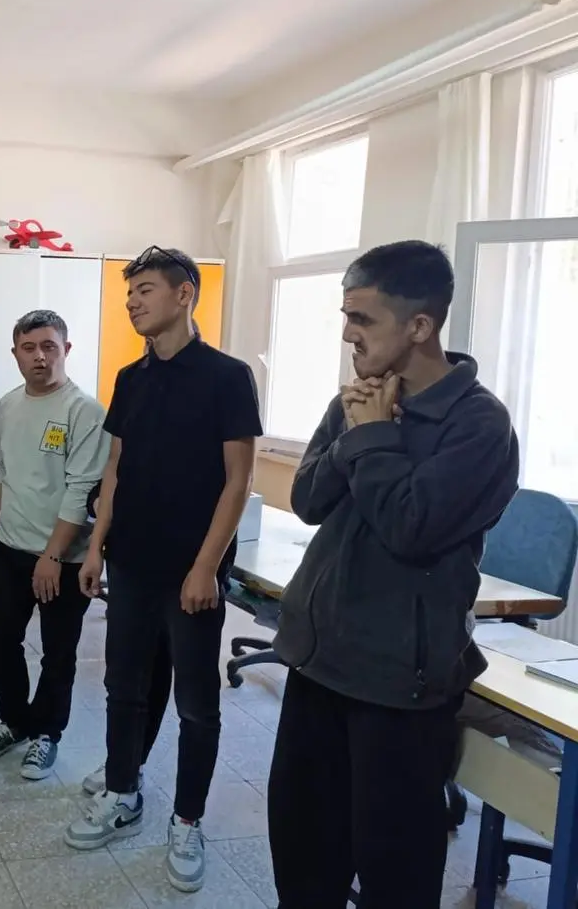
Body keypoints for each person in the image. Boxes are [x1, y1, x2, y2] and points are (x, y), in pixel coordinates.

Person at [267, 240, 519, 909]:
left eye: (363, 318)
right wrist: (356, 430)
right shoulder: (357, 398)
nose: (348, 333)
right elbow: (308, 500)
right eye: (345, 316)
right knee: (304, 855)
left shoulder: (479, 424)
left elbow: (412, 528)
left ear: (419, 326)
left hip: (397, 685)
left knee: (394, 874)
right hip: (319, 661)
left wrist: (373, 436)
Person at [65, 247, 262, 897]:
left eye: (145, 289)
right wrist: (97, 546)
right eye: (130, 293)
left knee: (196, 705)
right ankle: (123, 791)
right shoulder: (131, 378)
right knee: (124, 687)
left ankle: (187, 821)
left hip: (190, 573)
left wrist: (205, 566)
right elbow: (115, 468)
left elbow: (238, 480)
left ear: (184, 295)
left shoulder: (228, 376)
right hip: (131, 562)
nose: (133, 302)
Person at [0, 310, 107, 778]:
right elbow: (1, 471)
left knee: (57, 653)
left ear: (66, 349)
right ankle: (14, 721)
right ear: (16, 354)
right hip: (9, 548)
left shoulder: (84, 411)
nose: (39, 357)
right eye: (29, 348)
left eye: (49, 346)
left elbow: (81, 489)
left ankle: (47, 733)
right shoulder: (8, 406)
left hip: (63, 558)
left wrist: (52, 555)